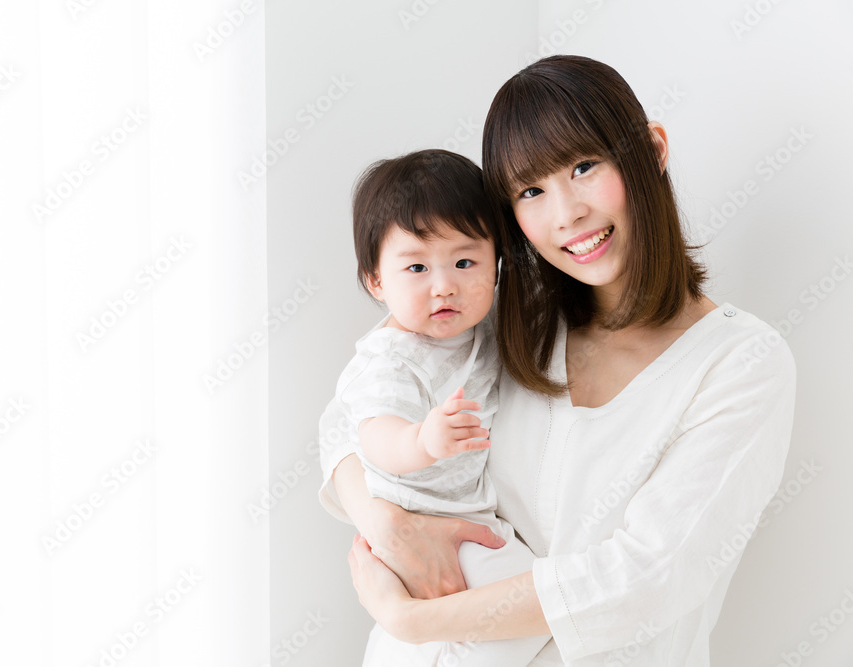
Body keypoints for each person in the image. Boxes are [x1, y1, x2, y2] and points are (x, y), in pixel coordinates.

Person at [323, 55, 796, 666]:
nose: (566, 213)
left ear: (651, 151)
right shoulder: (507, 320)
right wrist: (389, 527)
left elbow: (646, 578)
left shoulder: (739, 364)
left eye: (584, 166)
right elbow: (347, 414)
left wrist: (412, 618)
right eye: (531, 191)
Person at [319, 149, 551, 665]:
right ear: (376, 281)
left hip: (466, 518)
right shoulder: (392, 358)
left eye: (464, 262)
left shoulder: (481, 330)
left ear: (497, 266)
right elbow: (373, 435)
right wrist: (421, 440)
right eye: (417, 267)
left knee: (516, 615)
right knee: (525, 610)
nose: (444, 285)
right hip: (422, 517)